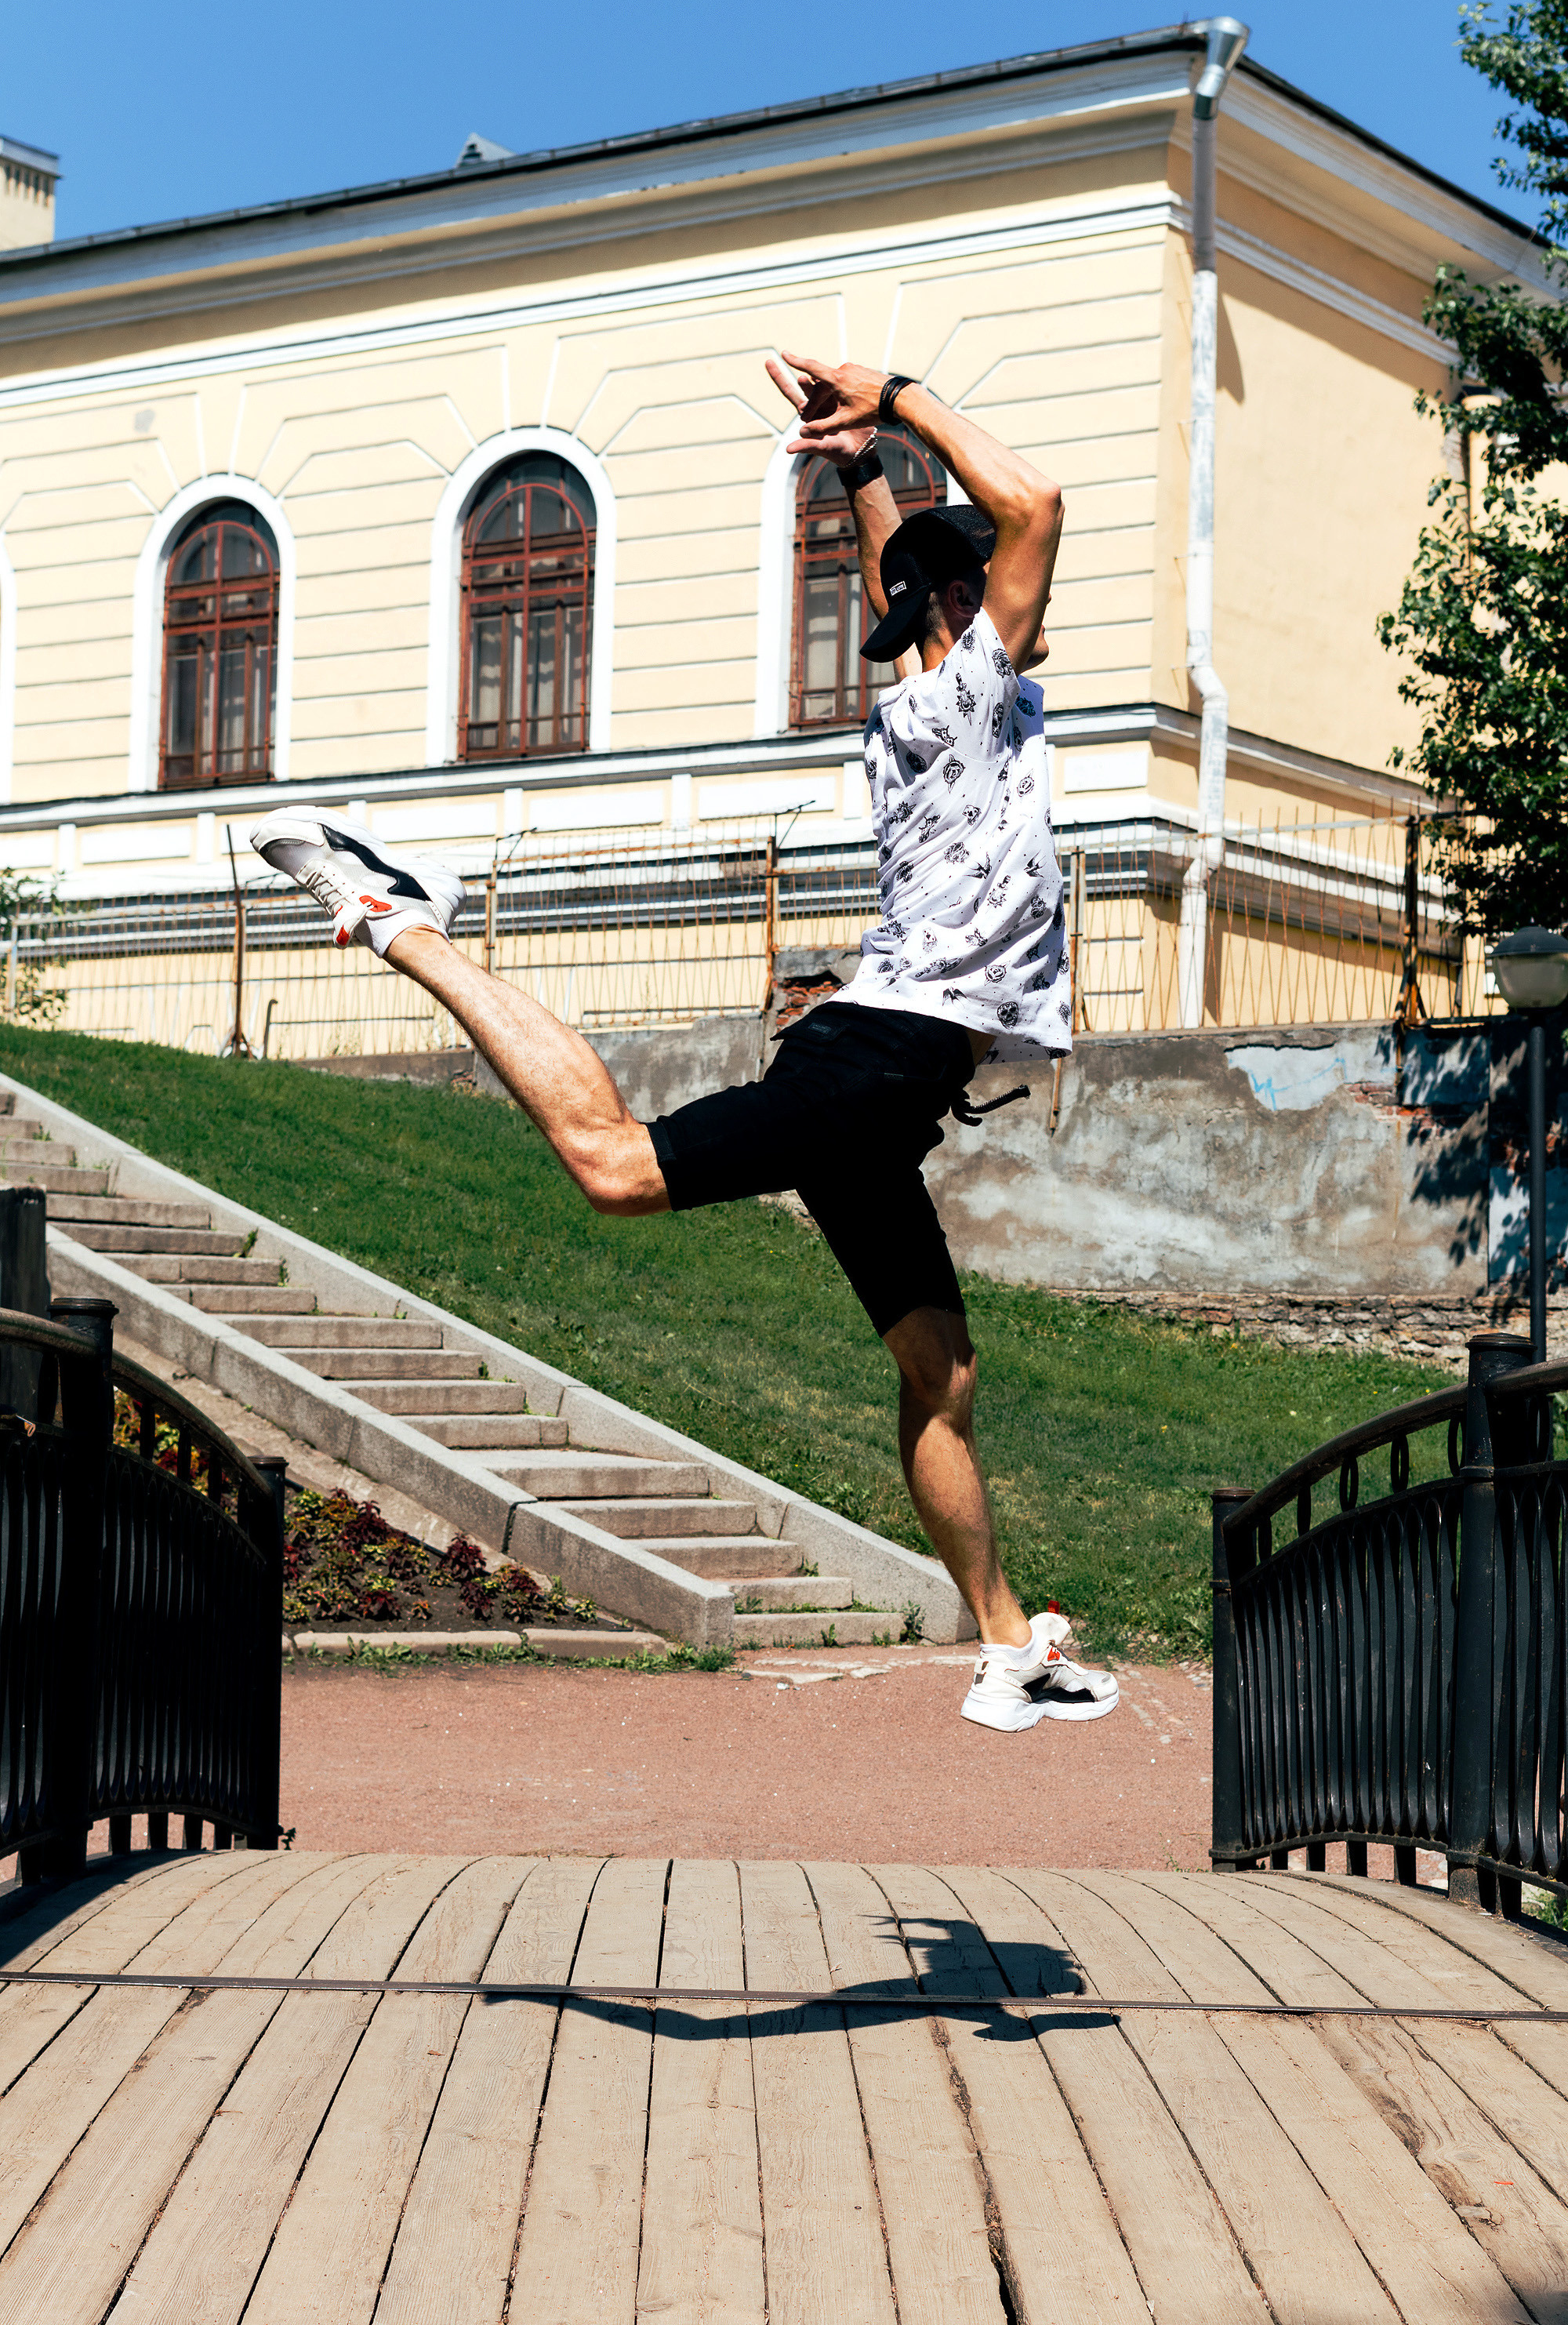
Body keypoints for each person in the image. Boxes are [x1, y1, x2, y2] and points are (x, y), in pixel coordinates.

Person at [250, 351, 1118, 1734]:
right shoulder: (964, 696)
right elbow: (1038, 504)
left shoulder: (951, 696)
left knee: (941, 1373)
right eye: (998, 586)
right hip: (871, 1070)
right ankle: (398, 922)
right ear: (962, 610)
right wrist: (898, 397)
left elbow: (909, 576)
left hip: (891, 1090)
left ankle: (1010, 1642)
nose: (1037, 599)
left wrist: (859, 470)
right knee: (616, 1168)